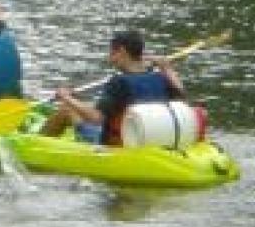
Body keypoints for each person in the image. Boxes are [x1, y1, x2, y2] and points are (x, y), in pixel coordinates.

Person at [36, 30, 184, 144]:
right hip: (148, 137)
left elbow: (96, 118)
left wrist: (66, 98)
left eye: (112, 52)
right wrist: (167, 68)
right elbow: (181, 97)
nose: (109, 58)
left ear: (122, 52)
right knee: (84, 107)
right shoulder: (158, 76)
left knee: (66, 110)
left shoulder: (118, 82)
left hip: (117, 142)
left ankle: (34, 145)